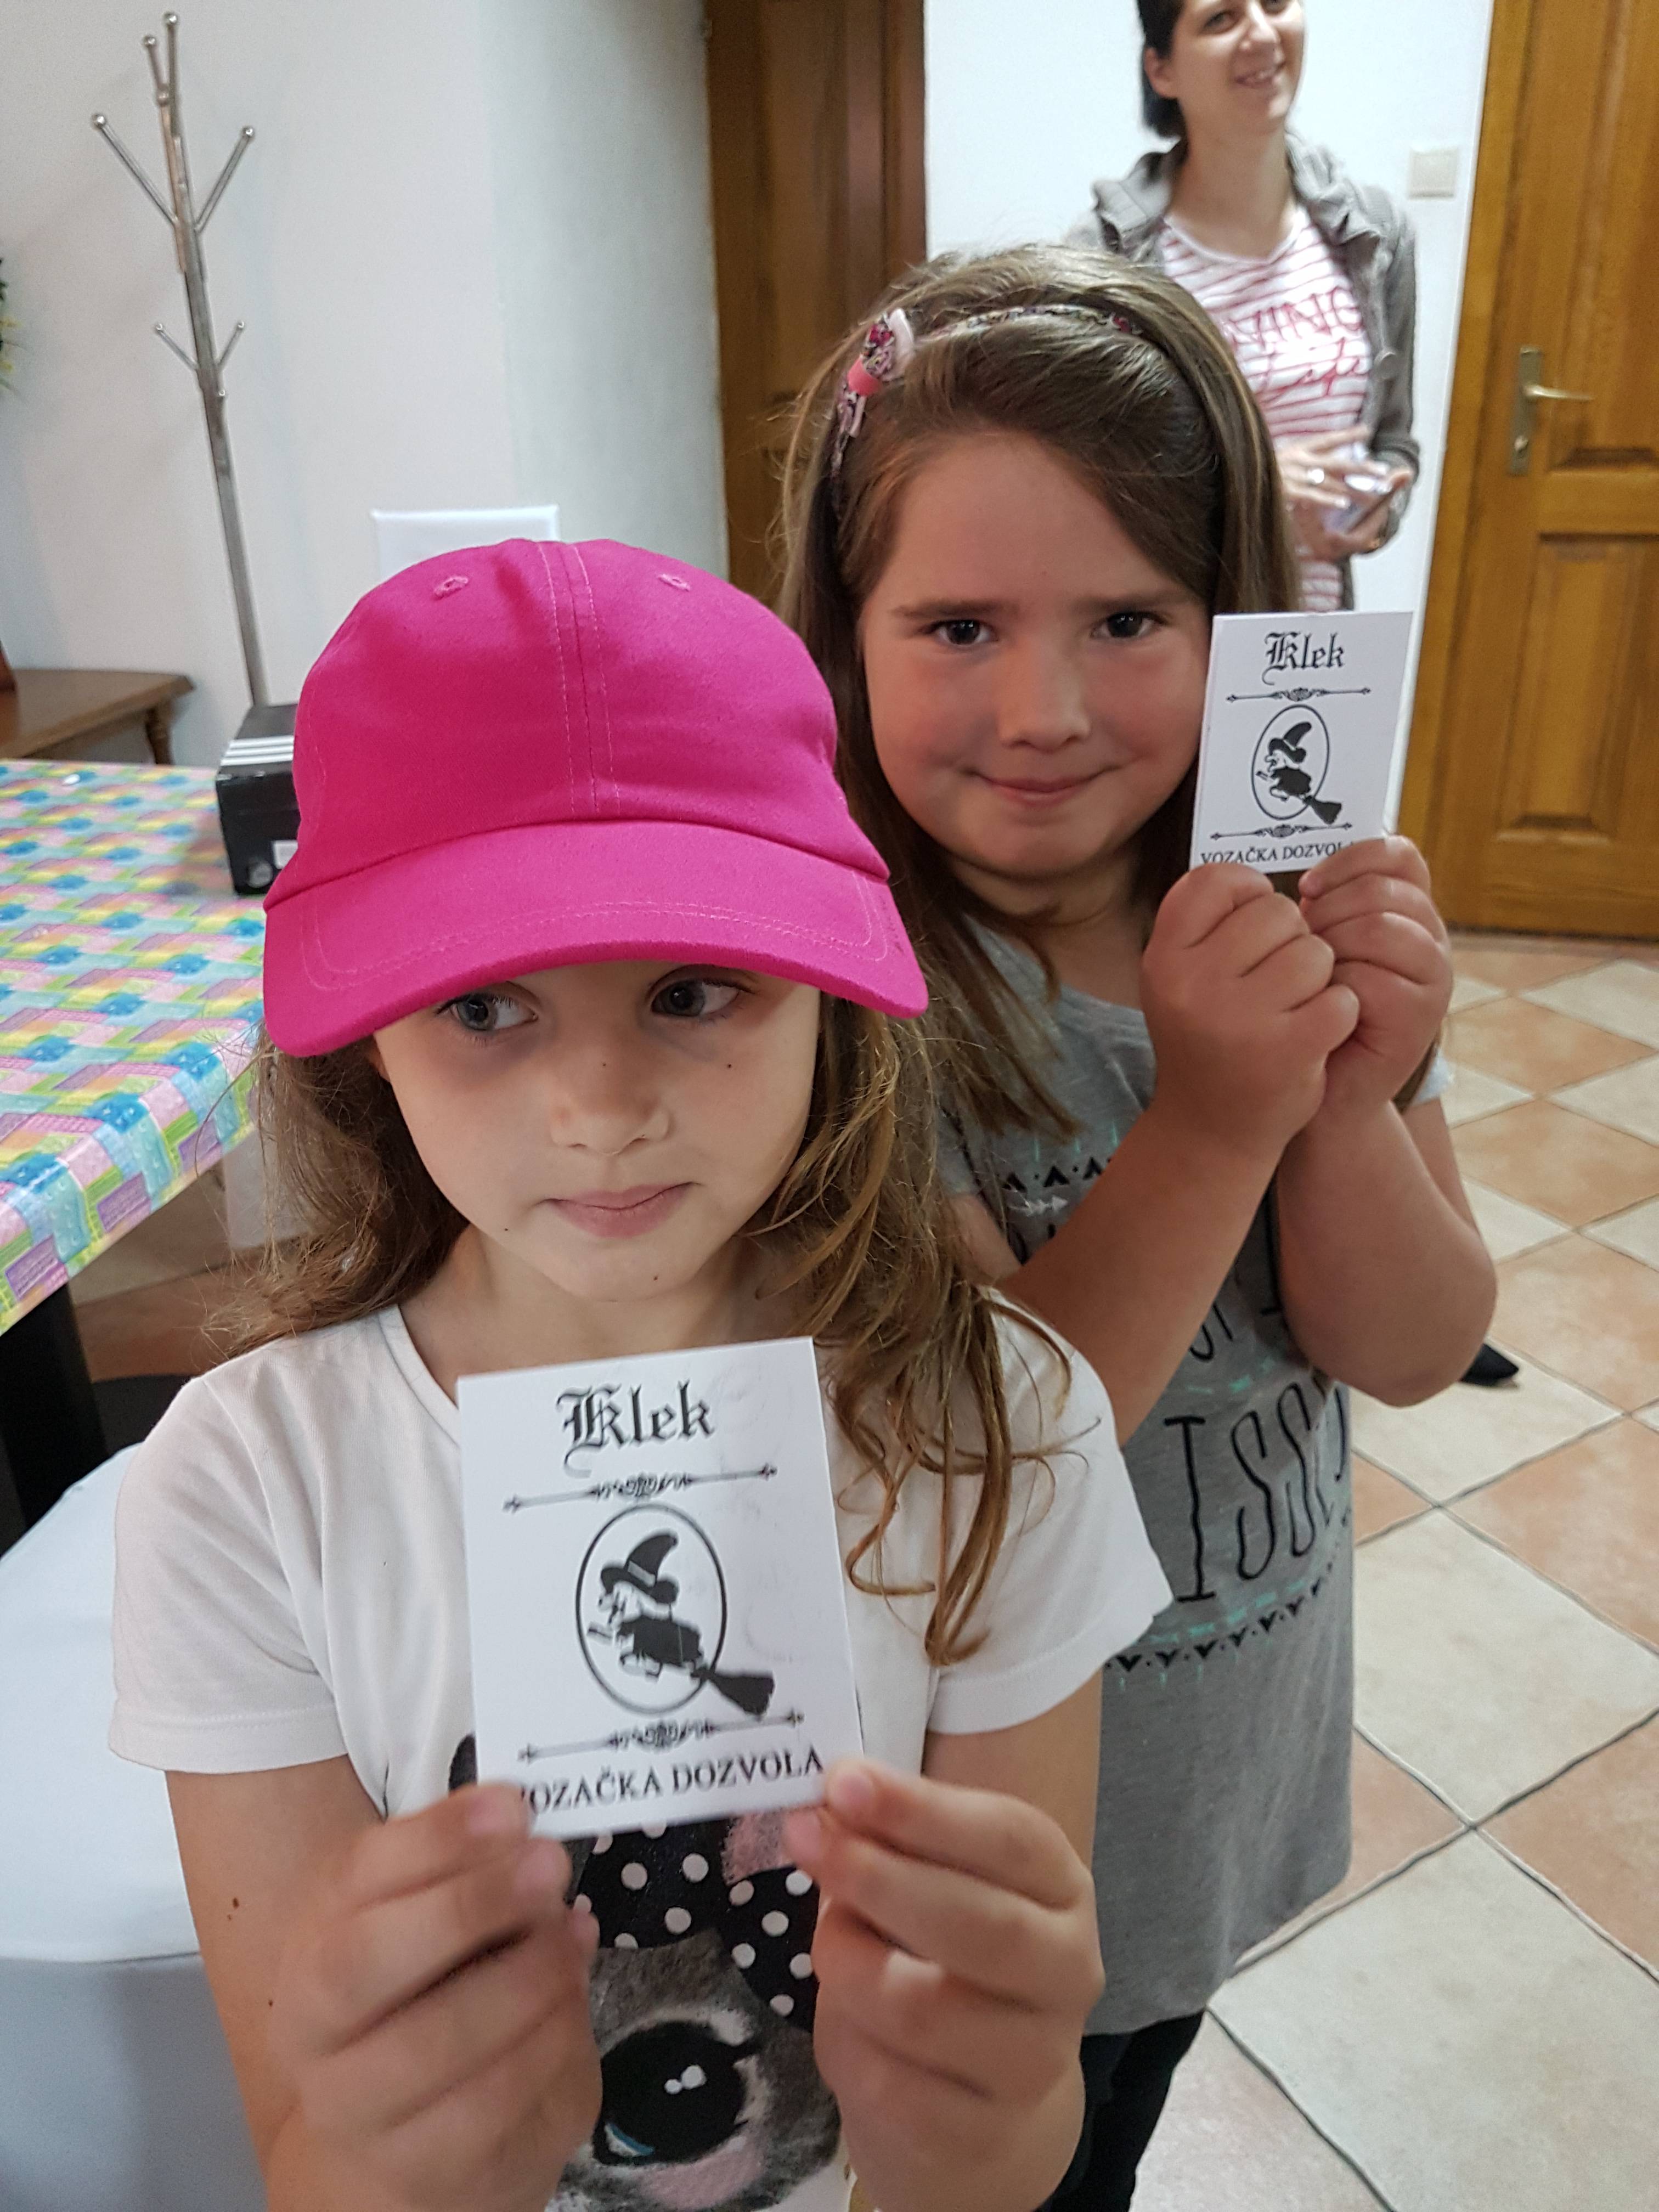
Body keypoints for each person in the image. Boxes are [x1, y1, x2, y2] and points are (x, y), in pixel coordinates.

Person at [109, 538, 1173, 2212]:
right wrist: (396, 2151)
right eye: (484, 1006)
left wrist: (992, 2102)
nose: (601, 1110)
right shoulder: (243, 1490)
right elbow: (311, 2167)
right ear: (371, 1037)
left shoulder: (1006, 1426)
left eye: (692, 988)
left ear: (826, 1003)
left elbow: (999, 2162)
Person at [778, 247, 1496, 2206]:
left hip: (1209, 1780)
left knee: (1120, 2109)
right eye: (955, 626)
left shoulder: (1296, 919)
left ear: (1235, 627)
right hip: (991, 1851)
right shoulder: (844, 1006)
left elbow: (1414, 1344)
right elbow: (977, 1463)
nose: (1042, 709)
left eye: (1125, 619)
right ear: (841, 640)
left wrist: (1338, 1082)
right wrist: (1212, 1118)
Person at [1068, 0, 1417, 616]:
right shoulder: (1104, 259)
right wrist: (1251, 489)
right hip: (1173, 639)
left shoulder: (1374, 234)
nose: (1261, 32)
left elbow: (1393, 443)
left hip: (1314, 642)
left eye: (1276, 3)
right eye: (1221, 19)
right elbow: (1083, 485)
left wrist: (1376, 512)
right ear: (1162, 70)